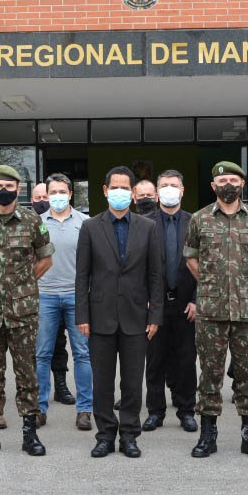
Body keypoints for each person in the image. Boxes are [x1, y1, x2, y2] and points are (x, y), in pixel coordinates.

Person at [182, 161, 248, 459]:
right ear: (213, 186)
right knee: (210, 373)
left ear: (242, 184)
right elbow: (191, 258)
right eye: (222, 181)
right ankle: (208, 434)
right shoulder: (199, 219)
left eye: (234, 180)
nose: (228, 185)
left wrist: (241, 282)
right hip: (211, 309)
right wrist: (214, 283)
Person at [0, 164, 54, 456]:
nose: (4, 191)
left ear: (19, 189)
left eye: (10, 186)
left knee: (27, 373)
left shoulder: (31, 221)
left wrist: (22, 284)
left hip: (22, 313)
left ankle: (30, 434)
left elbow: (45, 260)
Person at [76, 166, 162, 458]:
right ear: (105, 191)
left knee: (131, 382)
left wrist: (155, 316)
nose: (120, 193)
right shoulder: (90, 227)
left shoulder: (147, 227)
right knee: (101, 382)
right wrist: (82, 316)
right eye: (115, 187)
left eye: (126, 188)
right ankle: (105, 435)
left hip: (137, 318)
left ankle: (129, 435)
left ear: (134, 193)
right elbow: (82, 275)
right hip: (99, 317)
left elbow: (155, 276)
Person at [35, 173, 93, 431]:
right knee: (42, 354)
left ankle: (85, 410)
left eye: (62, 192)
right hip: (45, 296)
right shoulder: (35, 223)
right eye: (53, 192)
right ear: (47, 195)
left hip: (76, 297)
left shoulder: (86, 222)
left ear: (71, 194)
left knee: (82, 353)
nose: (57, 196)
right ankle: (38, 408)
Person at [143, 169, 198, 433]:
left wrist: (198, 300)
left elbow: (206, 265)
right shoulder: (143, 223)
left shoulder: (196, 222)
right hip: (155, 305)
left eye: (173, 185)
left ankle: (186, 410)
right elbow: (136, 265)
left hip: (187, 304)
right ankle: (155, 411)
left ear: (182, 190)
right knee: (155, 360)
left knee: (186, 360)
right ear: (156, 192)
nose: (168, 189)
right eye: (163, 185)